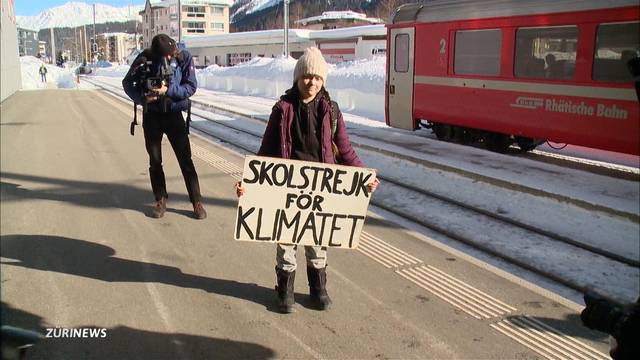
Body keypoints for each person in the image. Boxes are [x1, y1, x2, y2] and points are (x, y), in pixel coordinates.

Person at [235, 47, 379, 313]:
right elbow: (265, 151)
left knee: (317, 240)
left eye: (317, 77)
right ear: (297, 78)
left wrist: (363, 177)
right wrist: (249, 183)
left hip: (321, 190)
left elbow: (344, 149)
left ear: (323, 81)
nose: (311, 82)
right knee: (286, 241)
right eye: (306, 76)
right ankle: (285, 290)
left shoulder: (331, 111)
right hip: (286, 187)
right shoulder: (282, 109)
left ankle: (318, 289)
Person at [122, 34, 206, 220]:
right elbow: (127, 83)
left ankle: (196, 201)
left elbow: (191, 87)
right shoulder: (144, 58)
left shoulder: (183, 57)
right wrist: (143, 98)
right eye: (163, 56)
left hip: (174, 114)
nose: (167, 59)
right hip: (152, 115)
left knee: (186, 160)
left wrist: (168, 90)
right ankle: (160, 199)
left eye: (169, 55)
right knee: (155, 161)